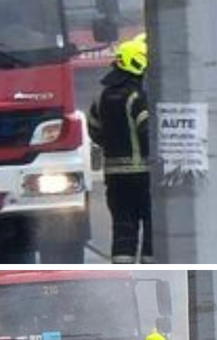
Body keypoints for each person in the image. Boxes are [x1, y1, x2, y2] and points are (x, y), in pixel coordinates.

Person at [88, 37, 153, 264]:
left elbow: (95, 132)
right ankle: (149, 269)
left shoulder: (101, 97)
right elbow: (148, 134)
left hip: (115, 178)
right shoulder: (137, 97)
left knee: (123, 229)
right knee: (151, 227)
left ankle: (123, 268)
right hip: (143, 175)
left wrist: (115, 146)